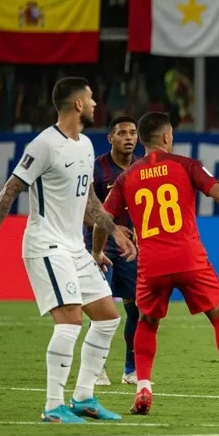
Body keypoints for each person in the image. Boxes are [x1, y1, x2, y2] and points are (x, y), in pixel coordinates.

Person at [0, 77, 137, 423]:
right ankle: (52, 406)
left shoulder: (86, 146)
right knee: (70, 322)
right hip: (46, 245)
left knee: (108, 318)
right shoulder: (44, 144)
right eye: (90, 99)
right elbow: (11, 189)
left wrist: (114, 231)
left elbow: (89, 201)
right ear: (77, 104)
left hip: (75, 247)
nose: (94, 104)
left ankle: (84, 398)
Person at [101, 112, 219, 415]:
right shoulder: (185, 165)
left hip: (151, 264)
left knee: (147, 322)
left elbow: (102, 219)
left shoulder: (126, 177)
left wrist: (99, 250)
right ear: (166, 137)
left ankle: (143, 387)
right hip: (189, 258)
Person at [89, 116, 140, 385]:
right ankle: (97, 369)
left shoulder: (143, 168)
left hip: (131, 249)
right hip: (100, 246)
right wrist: (113, 231)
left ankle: (130, 370)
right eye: (122, 133)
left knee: (137, 309)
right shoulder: (96, 169)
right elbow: (85, 209)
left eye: (133, 132)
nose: (129, 138)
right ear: (110, 138)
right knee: (102, 309)